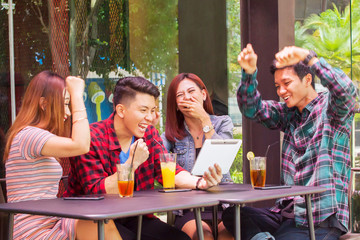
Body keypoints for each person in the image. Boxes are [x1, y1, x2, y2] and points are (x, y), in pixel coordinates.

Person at [222, 44, 357, 240]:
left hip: (321, 219)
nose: (281, 91)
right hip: (286, 215)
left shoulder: (332, 110)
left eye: (286, 83)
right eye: (277, 86)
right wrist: (249, 73)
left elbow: (346, 91)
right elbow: (252, 109)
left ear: (308, 79)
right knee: (233, 214)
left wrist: (310, 58)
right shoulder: (289, 115)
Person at [65, 76, 223, 240]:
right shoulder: (91, 138)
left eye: (152, 110)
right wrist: (132, 164)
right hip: (97, 219)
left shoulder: (149, 134)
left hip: (136, 217)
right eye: (143, 110)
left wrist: (200, 182)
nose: (150, 117)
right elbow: (95, 190)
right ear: (121, 110)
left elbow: (169, 170)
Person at [3, 71, 121, 240]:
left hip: (51, 220)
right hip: (31, 230)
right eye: (65, 104)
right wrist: (77, 96)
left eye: (68, 104)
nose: (68, 111)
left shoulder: (35, 137)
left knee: (99, 221)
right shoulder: (28, 135)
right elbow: (81, 145)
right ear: (44, 104)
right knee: (97, 223)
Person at [161, 73, 234, 240]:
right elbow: (161, 169)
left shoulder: (223, 122)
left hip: (222, 203)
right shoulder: (169, 135)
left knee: (228, 237)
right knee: (204, 236)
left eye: (191, 91)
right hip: (189, 207)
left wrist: (204, 119)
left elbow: (222, 158)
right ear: (176, 105)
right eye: (180, 95)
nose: (187, 97)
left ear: (203, 94)